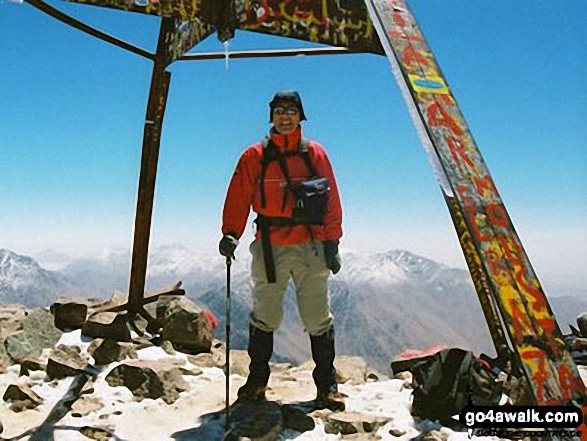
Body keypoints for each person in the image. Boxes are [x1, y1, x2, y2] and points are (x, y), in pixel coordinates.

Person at [219, 90, 344, 411]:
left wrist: (333, 242)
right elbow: (238, 195)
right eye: (279, 111)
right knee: (265, 315)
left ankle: (327, 385)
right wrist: (230, 233)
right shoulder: (253, 156)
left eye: (291, 111)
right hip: (270, 246)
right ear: (271, 116)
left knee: (317, 316)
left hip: (311, 246)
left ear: (300, 116)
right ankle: (257, 381)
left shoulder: (315, 153)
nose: (285, 116)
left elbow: (331, 200)